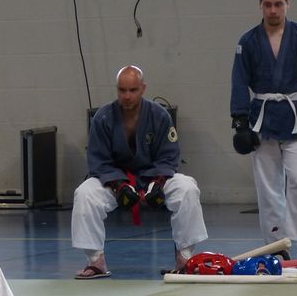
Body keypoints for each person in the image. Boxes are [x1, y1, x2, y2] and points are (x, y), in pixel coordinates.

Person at [71, 65, 208, 278]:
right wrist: (118, 185)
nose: (127, 96)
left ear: (143, 88)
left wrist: (158, 182)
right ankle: (96, 261)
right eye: (122, 90)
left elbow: (169, 155)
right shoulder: (103, 118)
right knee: (85, 193)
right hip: (115, 181)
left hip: (153, 178)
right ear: (116, 90)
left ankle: (185, 259)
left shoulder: (159, 115)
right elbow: (98, 161)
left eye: (133, 90)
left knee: (187, 188)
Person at [230, 0, 297, 260]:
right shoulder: (248, 41)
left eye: (278, 4)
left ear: (288, 4)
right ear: (260, 5)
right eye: (267, 5)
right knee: (268, 187)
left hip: (296, 115)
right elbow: (239, 81)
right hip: (262, 117)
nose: (273, 10)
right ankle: (276, 245)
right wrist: (239, 121)